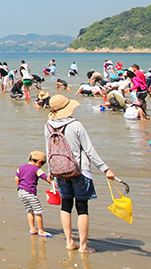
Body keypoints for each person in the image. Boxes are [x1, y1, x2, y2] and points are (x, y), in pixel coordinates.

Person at [45, 94, 117, 253]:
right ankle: (83, 246)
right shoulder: (76, 124)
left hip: (59, 171)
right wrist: (105, 169)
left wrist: (50, 171)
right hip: (80, 170)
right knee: (82, 207)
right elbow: (89, 150)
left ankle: (69, 241)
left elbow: (48, 149)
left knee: (66, 205)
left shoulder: (48, 125)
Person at [16, 150, 55, 238]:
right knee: (38, 211)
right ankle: (41, 231)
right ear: (39, 162)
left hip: (21, 192)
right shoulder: (37, 170)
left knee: (29, 210)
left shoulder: (21, 167)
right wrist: (55, 186)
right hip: (30, 192)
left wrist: (19, 187)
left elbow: (16, 178)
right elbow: (46, 179)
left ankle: (32, 229)